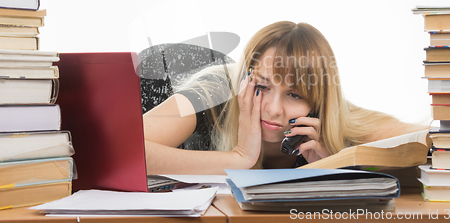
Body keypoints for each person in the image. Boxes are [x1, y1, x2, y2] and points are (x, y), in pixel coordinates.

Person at [143, 21, 427, 175]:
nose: (273, 109)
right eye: (263, 87)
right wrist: (238, 158)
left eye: (294, 94)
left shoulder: (338, 117)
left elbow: (436, 143)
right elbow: (122, 149)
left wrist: (334, 168)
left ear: (317, 102)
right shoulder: (215, 92)